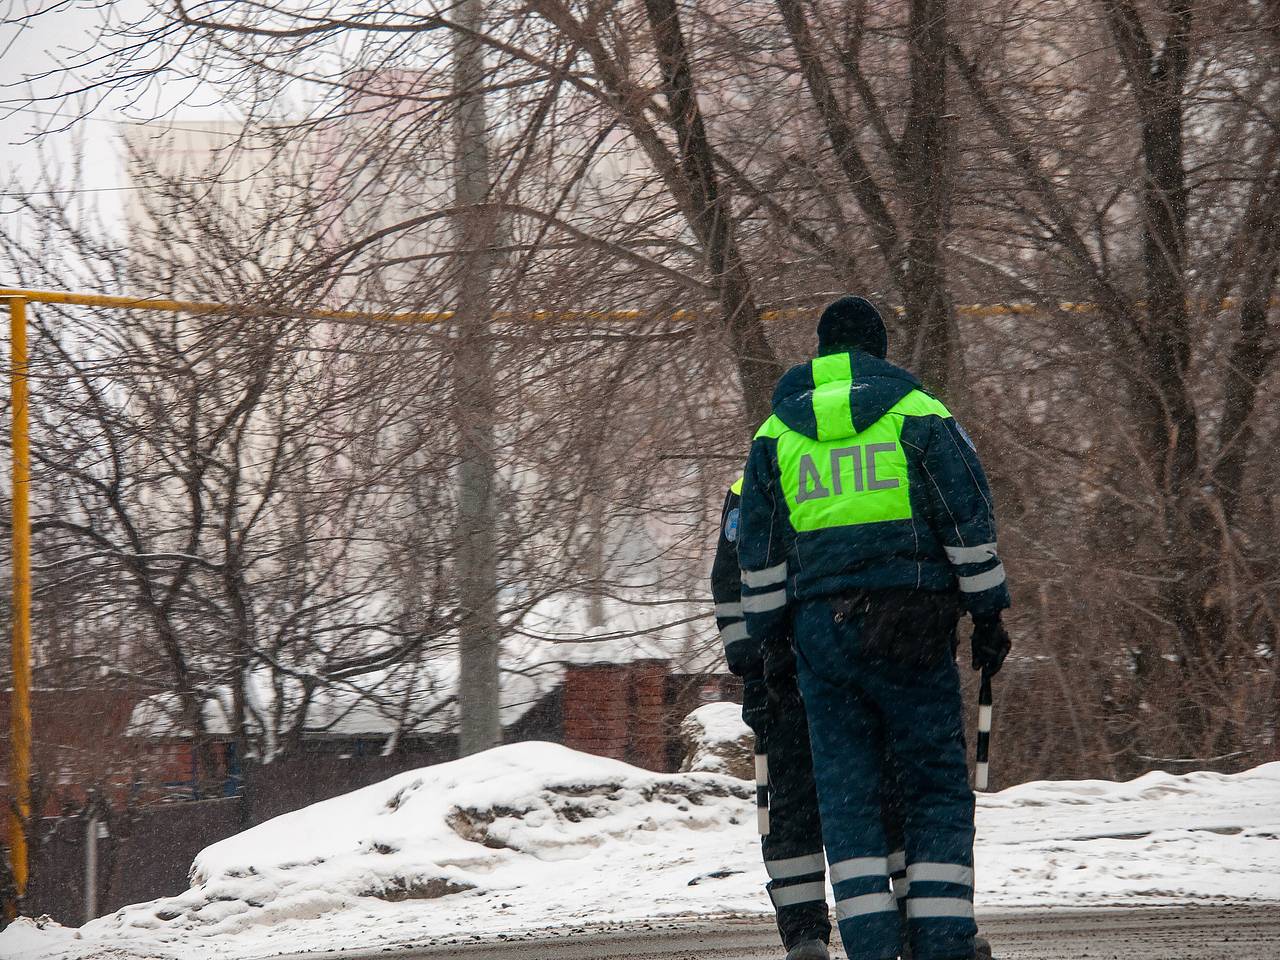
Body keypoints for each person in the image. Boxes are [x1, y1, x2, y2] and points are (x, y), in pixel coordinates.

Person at [736, 296, 1011, 960]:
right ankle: (941, 942)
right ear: (880, 350)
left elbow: (759, 553)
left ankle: (870, 946)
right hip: (911, 625)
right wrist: (987, 613)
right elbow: (965, 520)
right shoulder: (918, 413)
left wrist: (770, 642)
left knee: (847, 793)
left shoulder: (776, 434)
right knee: (932, 783)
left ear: (821, 351)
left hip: (820, 639)